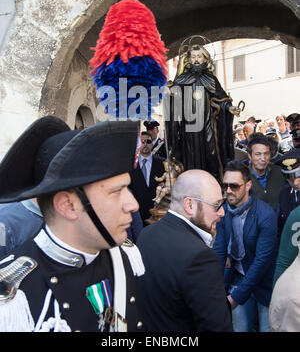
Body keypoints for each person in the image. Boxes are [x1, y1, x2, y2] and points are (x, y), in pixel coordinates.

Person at [0, 116, 145, 332]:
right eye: (116, 192)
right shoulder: (14, 297)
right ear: (68, 205)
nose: (133, 205)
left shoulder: (124, 257)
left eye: (127, 189)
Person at [137, 169, 233, 332]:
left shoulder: (146, 234)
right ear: (190, 205)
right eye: (217, 205)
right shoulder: (201, 257)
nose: (222, 212)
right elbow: (217, 327)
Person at [213, 160, 278, 332]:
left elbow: (262, 261)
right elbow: (219, 251)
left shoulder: (265, 214)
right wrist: (216, 289)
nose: (228, 191)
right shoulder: (223, 211)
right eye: (225, 185)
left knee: (267, 328)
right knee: (239, 328)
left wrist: (236, 297)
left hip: (264, 282)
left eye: (234, 186)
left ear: (248, 185)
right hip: (237, 278)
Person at [165, 41, 240, 182]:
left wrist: (229, 108)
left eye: (199, 56)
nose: (196, 60)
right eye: (193, 57)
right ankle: (191, 184)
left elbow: (221, 99)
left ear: (205, 59)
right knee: (190, 156)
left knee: (211, 155)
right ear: (188, 59)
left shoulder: (211, 79)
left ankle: (213, 183)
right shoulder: (181, 79)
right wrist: (169, 92)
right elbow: (174, 96)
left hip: (207, 126)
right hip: (189, 127)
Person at [273, 150, 300, 286]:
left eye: (298, 175)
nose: (295, 182)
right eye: (290, 178)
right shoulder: (284, 195)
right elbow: (280, 230)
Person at [129, 131, 164, 225]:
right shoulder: (129, 165)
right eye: (142, 142)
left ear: (152, 144)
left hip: (157, 214)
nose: (145, 144)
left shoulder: (163, 163)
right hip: (136, 214)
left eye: (148, 141)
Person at [246, 132, 285, 209]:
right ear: (249, 156)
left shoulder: (279, 172)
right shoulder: (242, 176)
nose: (263, 158)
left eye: (266, 154)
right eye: (258, 154)